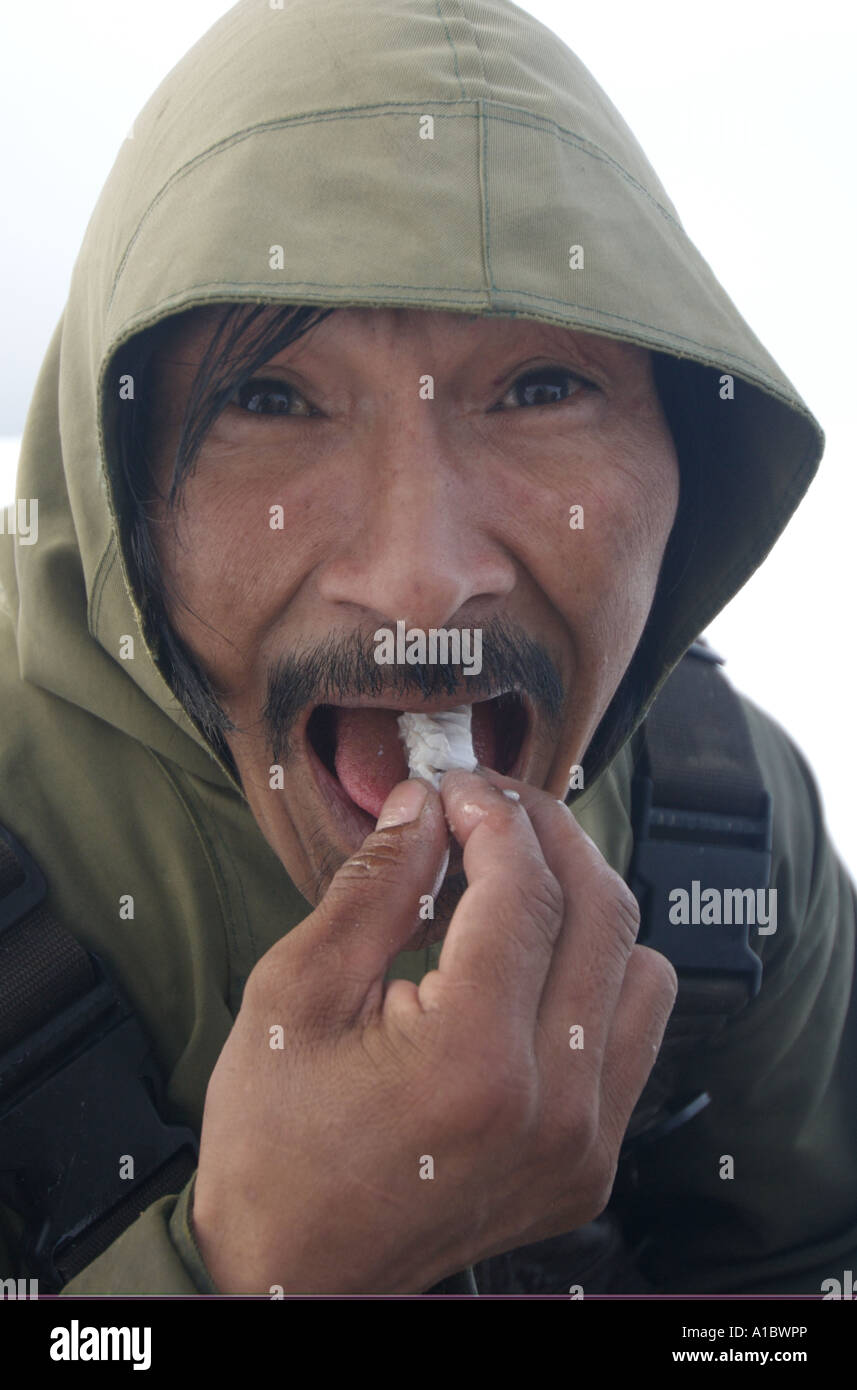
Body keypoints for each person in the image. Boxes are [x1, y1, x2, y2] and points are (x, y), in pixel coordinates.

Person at [0, 0, 854, 1297]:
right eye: (269, 398)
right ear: (114, 488)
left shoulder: (726, 823)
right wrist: (255, 1272)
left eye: (539, 388)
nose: (421, 576)